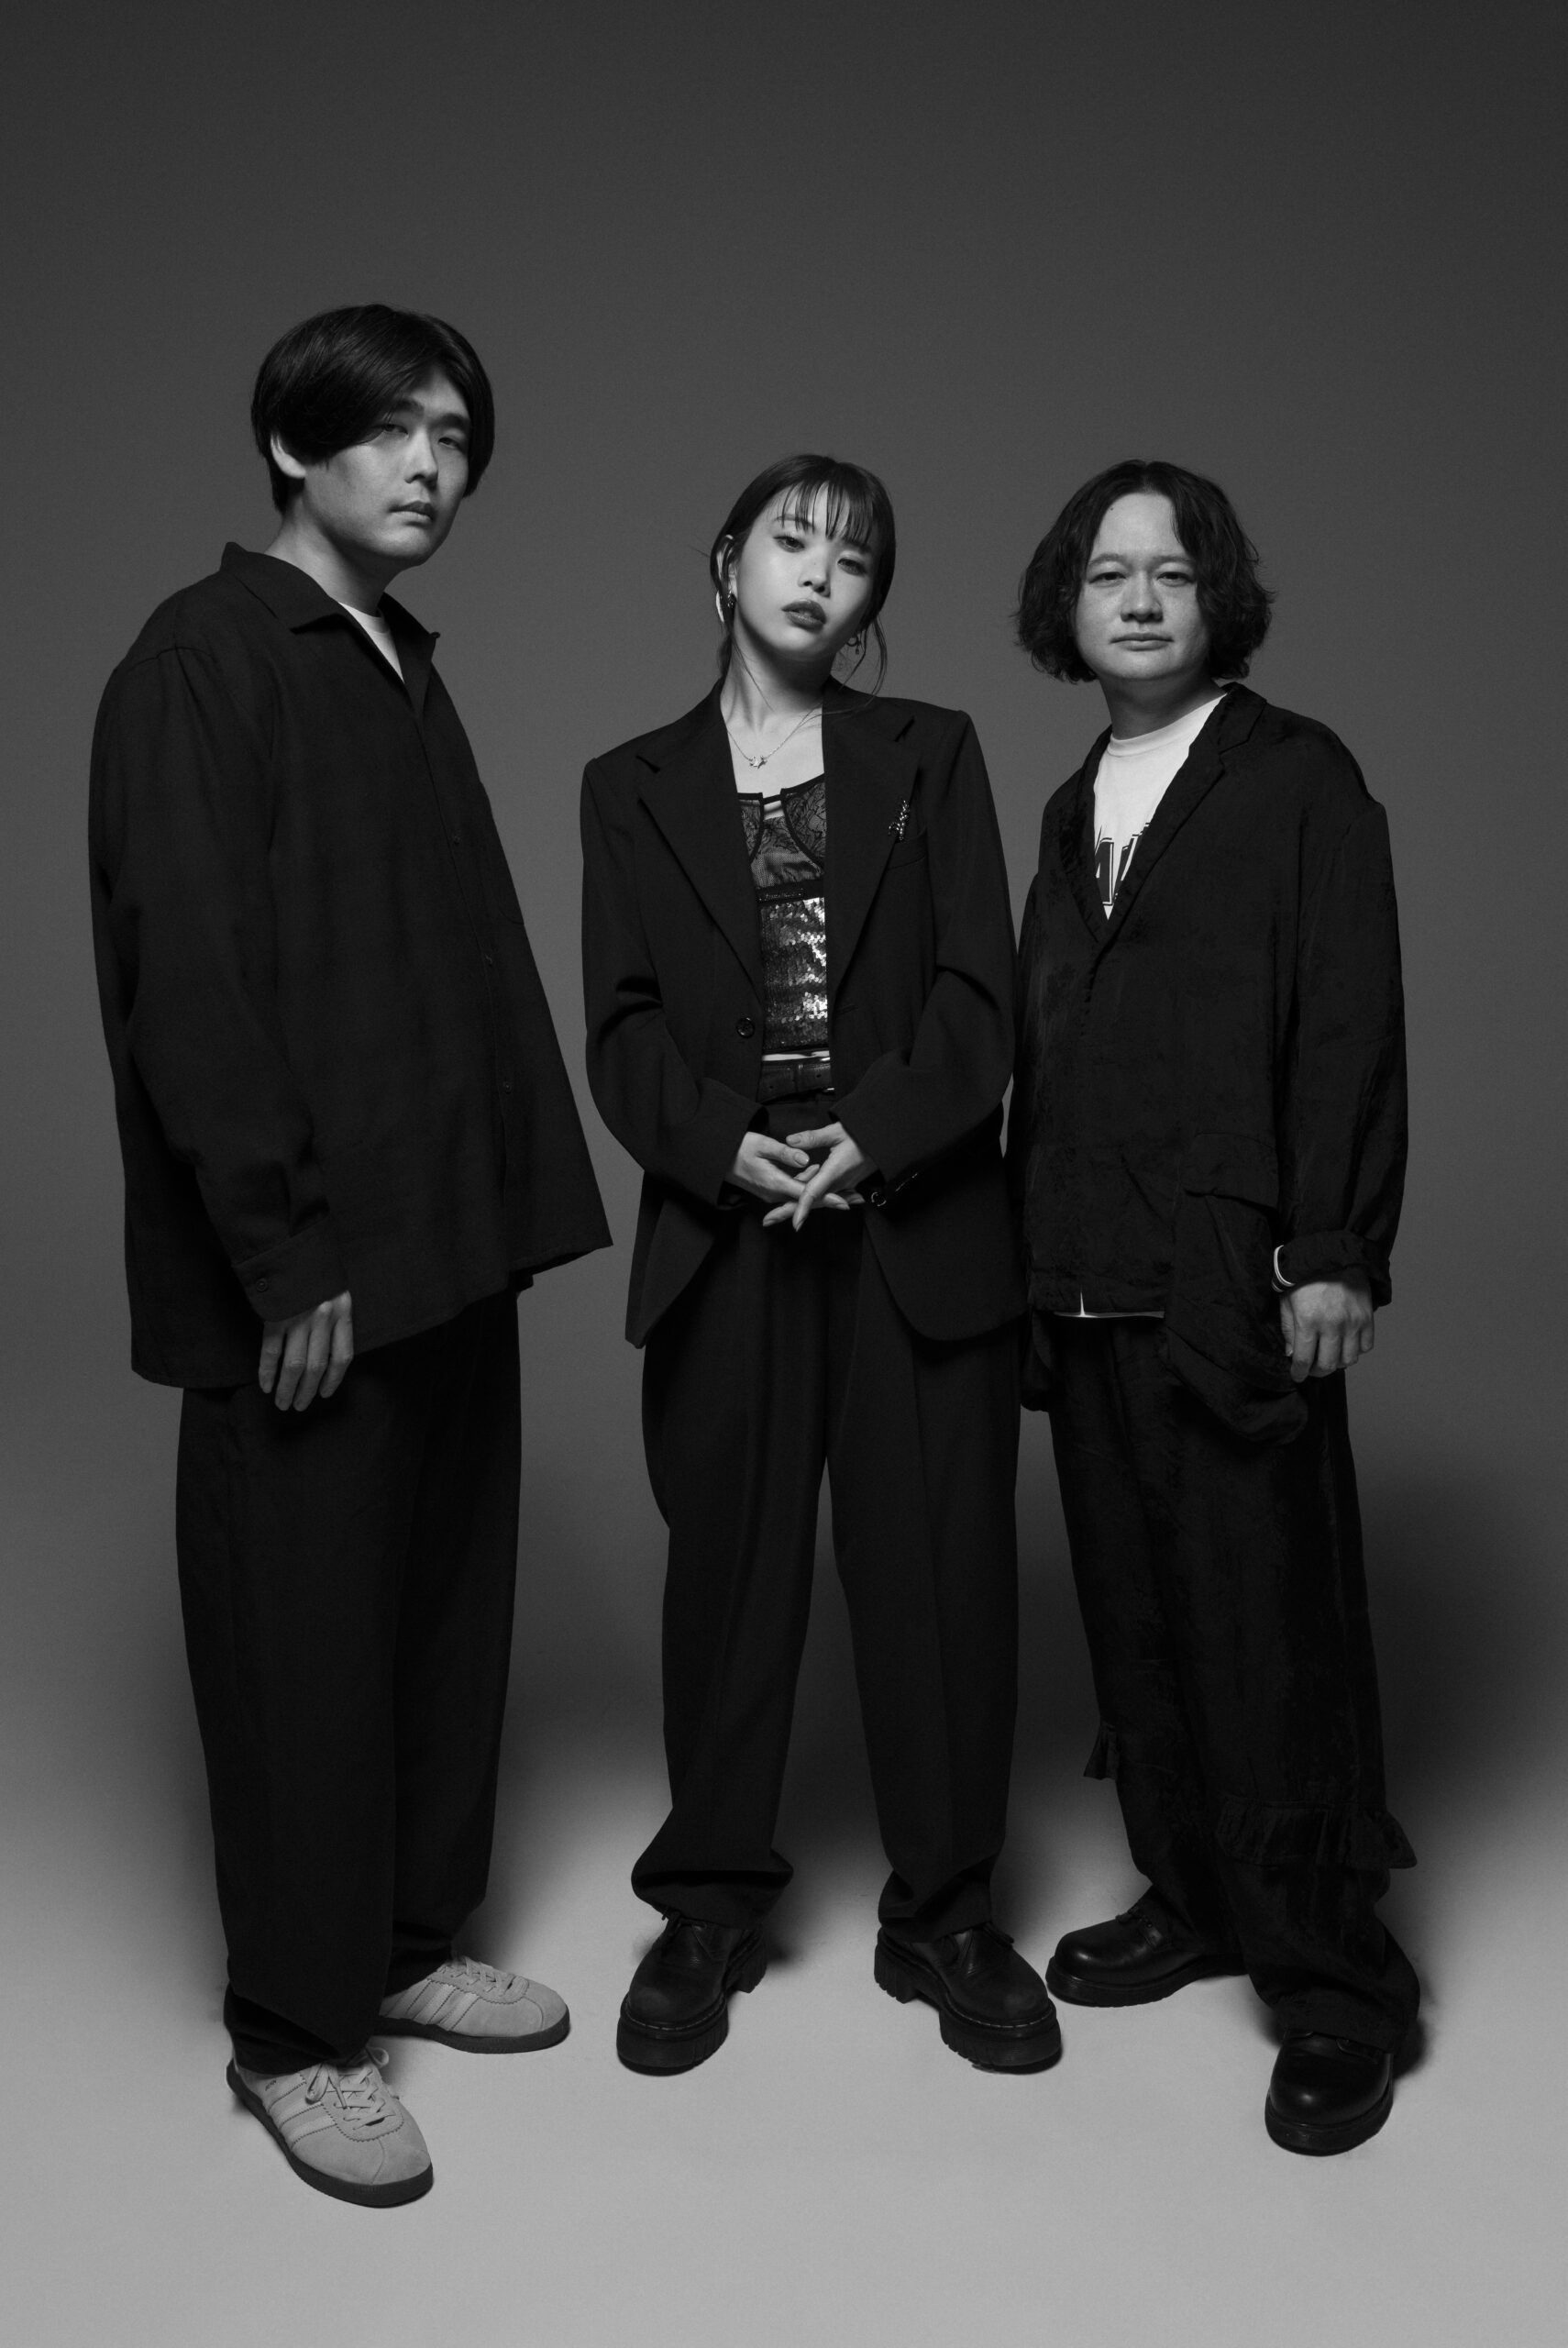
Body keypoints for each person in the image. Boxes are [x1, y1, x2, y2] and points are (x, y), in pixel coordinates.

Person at [88, 305, 610, 2206]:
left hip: (445, 1243)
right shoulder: (200, 660)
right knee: (301, 1644)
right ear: (291, 446)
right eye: (391, 430)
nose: (430, 467)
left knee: (441, 1611)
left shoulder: (395, 657)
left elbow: (436, 967)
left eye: (456, 438)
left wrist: (498, 1206)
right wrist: (284, 1254)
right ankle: (296, 2032)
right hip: (307, 1274)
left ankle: (400, 1942)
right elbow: (193, 985)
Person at [580, 454, 1058, 2076]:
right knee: (727, 1576)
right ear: (724, 564)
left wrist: (881, 1134)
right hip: (730, 1225)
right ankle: (708, 1904)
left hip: (910, 1215)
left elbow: (982, 992)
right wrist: (719, 1144)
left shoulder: (933, 750)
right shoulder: (627, 782)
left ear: (869, 606)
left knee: (939, 1579)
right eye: (790, 542)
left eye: (852, 562)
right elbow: (621, 1025)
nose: (816, 576)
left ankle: (947, 1914)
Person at [1009, 458, 1419, 2154]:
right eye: (1106, 573)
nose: (1137, 599)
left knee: (1267, 1632)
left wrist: (1333, 1246)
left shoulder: (1295, 775)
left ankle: (1334, 1987)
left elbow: (1346, 1013)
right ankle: (1192, 1898)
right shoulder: (1069, 803)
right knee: (1140, 1619)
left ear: (1215, 597)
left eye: (1169, 573)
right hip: (1081, 1275)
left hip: (1233, 1275)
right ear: (1068, 602)